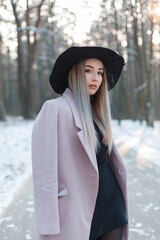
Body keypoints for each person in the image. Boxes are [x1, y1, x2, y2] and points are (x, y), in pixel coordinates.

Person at [31, 46, 129, 240]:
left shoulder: (96, 113)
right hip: (75, 212)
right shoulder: (54, 109)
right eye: (88, 70)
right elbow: (44, 175)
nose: (96, 78)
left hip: (111, 206)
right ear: (75, 74)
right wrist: (48, 226)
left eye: (100, 72)